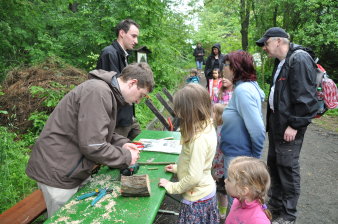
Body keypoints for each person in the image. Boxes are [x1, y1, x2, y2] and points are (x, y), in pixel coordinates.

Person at [26, 63, 155, 217]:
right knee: (67, 218)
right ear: (132, 83)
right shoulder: (98, 92)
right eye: (140, 95)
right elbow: (94, 145)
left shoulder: (107, 93)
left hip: (71, 168)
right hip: (58, 172)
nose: (138, 101)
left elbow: (99, 133)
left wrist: (123, 143)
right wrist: (126, 157)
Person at [256, 27, 319, 224]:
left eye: (265, 44)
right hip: (278, 123)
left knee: (288, 167)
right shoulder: (282, 60)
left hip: (289, 125)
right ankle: (275, 206)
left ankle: (288, 215)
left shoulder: (298, 59)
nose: (264, 48)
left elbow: (306, 99)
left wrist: (294, 125)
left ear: (278, 41)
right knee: (274, 164)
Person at [158, 83, 219, 224]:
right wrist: (178, 168)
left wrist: (172, 186)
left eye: (180, 111)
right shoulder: (206, 126)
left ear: (189, 112)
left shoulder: (199, 140)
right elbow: (194, 162)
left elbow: (194, 177)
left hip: (196, 198)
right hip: (204, 192)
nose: (177, 114)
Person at [220, 51, 266, 212]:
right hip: (238, 155)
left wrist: (254, 159)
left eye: (225, 64)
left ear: (234, 68)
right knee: (241, 202)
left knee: (238, 203)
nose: (223, 68)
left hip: (239, 157)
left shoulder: (243, 91)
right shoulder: (244, 87)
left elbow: (258, 129)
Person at [96, 19, 141, 140]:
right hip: (117, 121)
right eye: (133, 36)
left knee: (142, 146)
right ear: (122, 33)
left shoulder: (124, 55)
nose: (136, 41)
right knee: (119, 155)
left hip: (128, 117)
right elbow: (113, 89)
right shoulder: (109, 53)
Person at [224, 156, 272, 224]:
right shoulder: (237, 201)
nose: (225, 181)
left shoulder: (258, 220)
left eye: (229, 179)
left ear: (243, 191)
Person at [211, 103, 228, 220]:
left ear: (218, 115)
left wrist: (215, 162)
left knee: (222, 191)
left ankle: (222, 213)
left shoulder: (222, 131)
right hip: (217, 165)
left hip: (220, 165)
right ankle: (218, 209)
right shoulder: (217, 127)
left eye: (212, 112)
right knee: (217, 189)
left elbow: (220, 150)